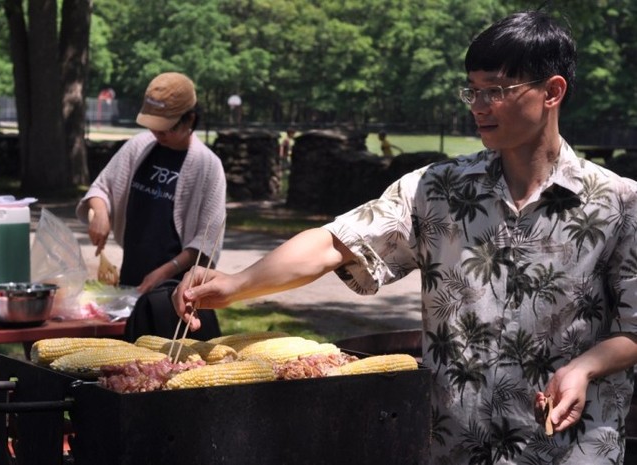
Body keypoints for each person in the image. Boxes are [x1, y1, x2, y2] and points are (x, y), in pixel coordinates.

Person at [173, 11, 637, 464]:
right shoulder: (434, 189)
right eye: (472, 91)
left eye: (495, 91)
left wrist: (585, 366)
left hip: (570, 446)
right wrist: (236, 285)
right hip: (454, 444)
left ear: (552, 91)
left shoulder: (620, 203)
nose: (478, 106)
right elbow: (334, 243)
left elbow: (633, 329)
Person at [77, 72, 226, 337]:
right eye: (153, 127)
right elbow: (102, 187)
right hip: (132, 280)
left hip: (179, 291)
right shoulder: (141, 146)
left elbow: (206, 241)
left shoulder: (208, 166)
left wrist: (166, 271)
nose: (158, 134)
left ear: (190, 119)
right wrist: (99, 211)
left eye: (166, 128)